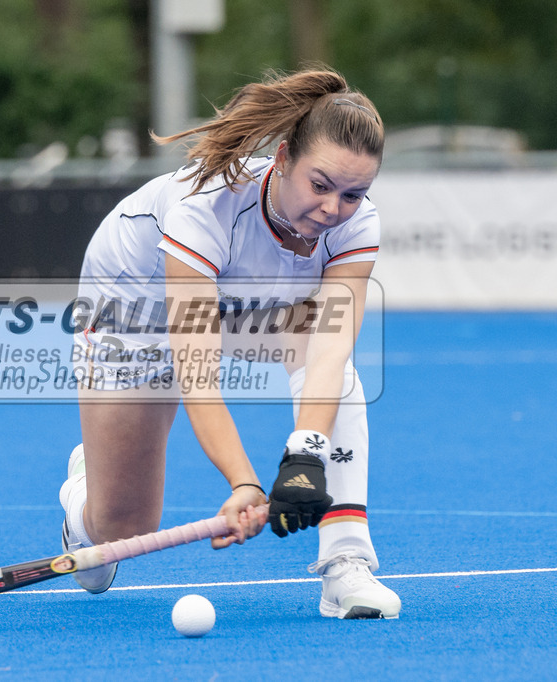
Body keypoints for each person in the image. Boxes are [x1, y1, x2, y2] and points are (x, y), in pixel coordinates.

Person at [58, 68, 401, 619]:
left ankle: (346, 565)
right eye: (320, 185)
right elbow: (198, 374)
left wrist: (305, 455)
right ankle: (83, 499)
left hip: (251, 304)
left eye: (353, 194)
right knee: (122, 528)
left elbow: (331, 350)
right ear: (284, 158)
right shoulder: (205, 207)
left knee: (331, 362)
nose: (332, 210)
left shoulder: (356, 226)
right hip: (133, 303)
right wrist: (243, 481)